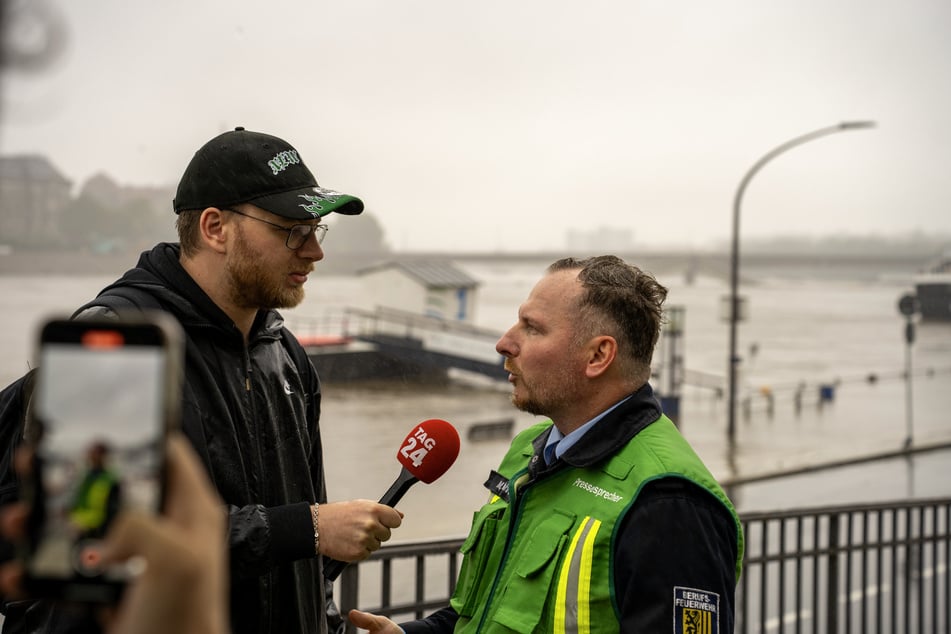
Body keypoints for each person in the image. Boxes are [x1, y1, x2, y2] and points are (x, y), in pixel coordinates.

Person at [0, 127, 404, 634]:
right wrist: (304, 527)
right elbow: (89, 544)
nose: (312, 252)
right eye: (291, 230)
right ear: (215, 227)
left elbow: (307, 564)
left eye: (316, 230)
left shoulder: (287, 356)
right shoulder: (113, 346)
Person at [349, 255, 744, 633]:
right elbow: (483, 613)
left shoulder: (669, 503)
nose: (504, 342)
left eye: (532, 328)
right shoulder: (527, 449)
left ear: (598, 355)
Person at [0, 433, 230, 634]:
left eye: (95, 454)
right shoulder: (89, 475)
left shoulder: (109, 477)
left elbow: (113, 503)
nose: (92, 457)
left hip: (103, 528)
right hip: (84, 525)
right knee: (77, 568)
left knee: (99, 569)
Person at [68, 442, 121, 541]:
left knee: (92, 556)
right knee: (79, 555)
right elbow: (78, 502)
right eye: (91, 453)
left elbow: (113, 511)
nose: (92, 456)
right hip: (79, 530)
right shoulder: (85, 477)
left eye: (96, 453)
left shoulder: (110, 480)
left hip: (97, 533)